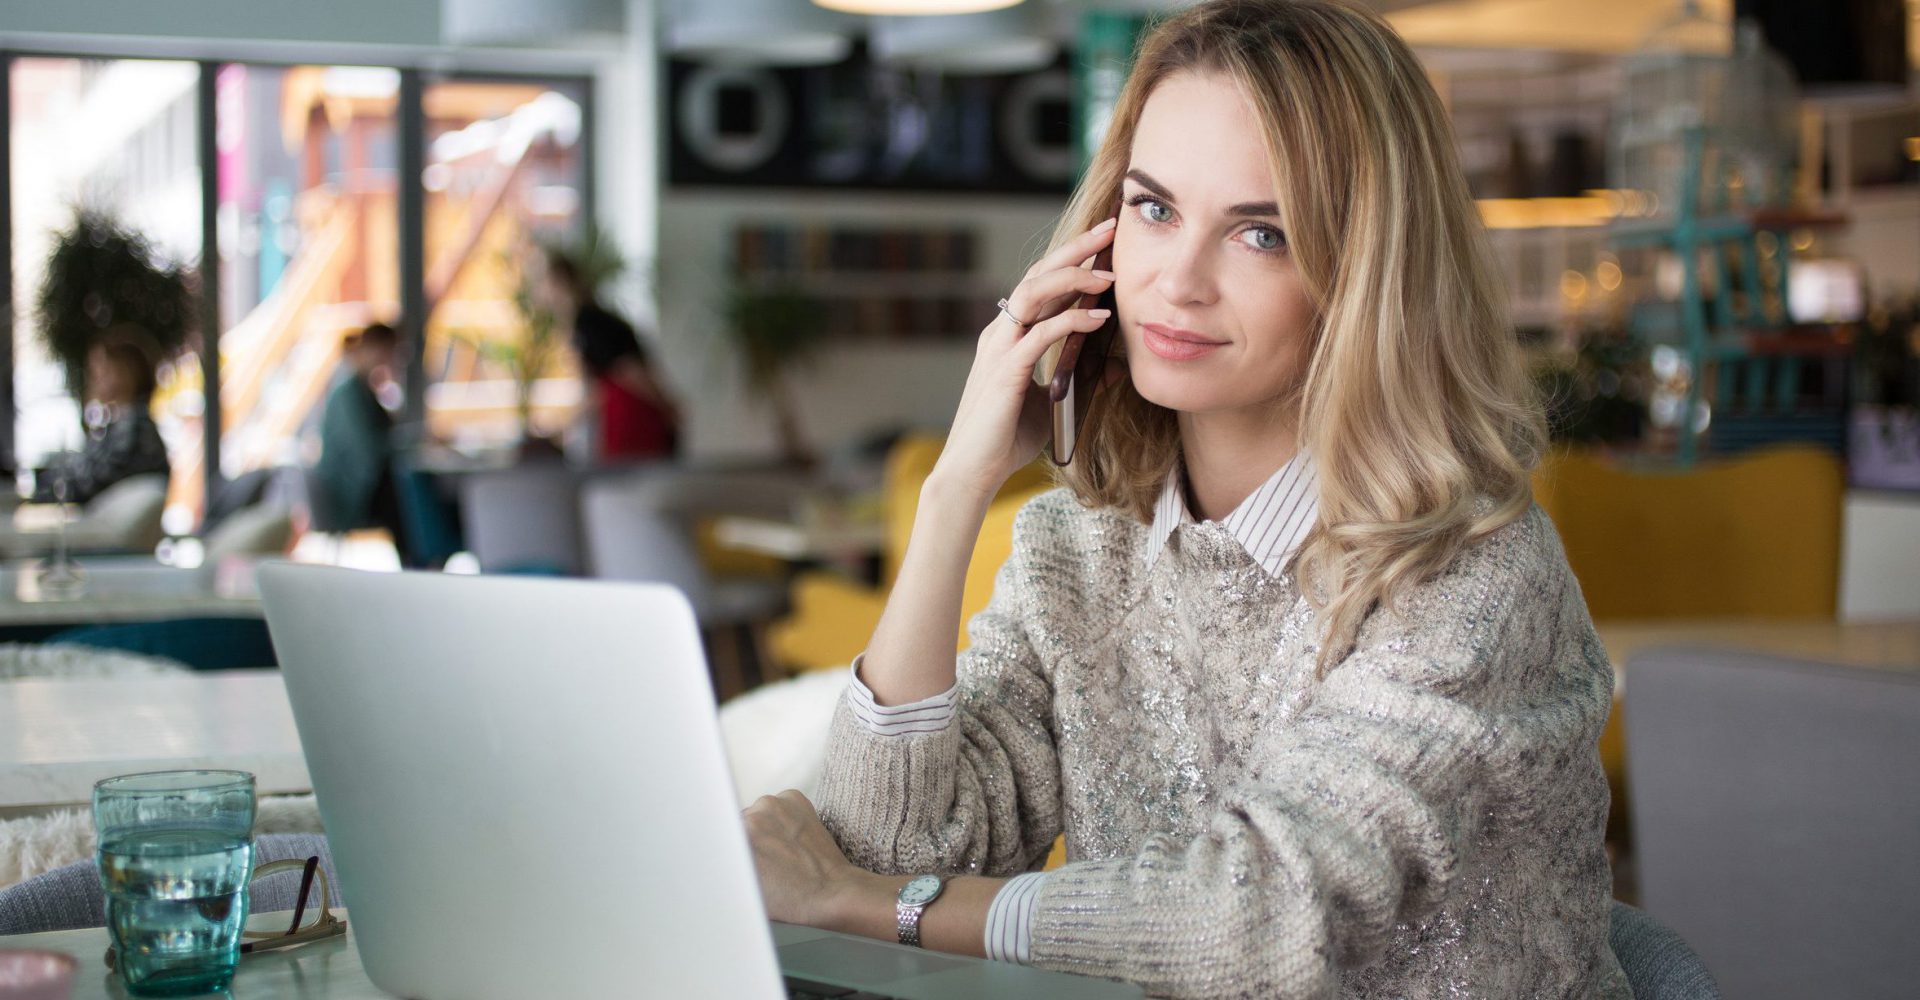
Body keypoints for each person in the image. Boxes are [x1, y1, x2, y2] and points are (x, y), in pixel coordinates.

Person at [741, 2, 1628, 996]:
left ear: (1364, 275)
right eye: (1155, 210)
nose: (1177, 282)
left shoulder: (1474, 576)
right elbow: (892, 836)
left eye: (1261, 233)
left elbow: (1258, 921)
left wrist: (869, 904)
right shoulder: (1074, 550)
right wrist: (958, 487)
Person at [547, 250, 681, 461]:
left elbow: (629, 370)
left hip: (633, 415)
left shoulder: (589, 322)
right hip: (624, 415)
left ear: (559, 282)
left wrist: (666, 405)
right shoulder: (586, 320)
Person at [33, 333, 170, 504]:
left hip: (104, 529)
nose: (94, 379)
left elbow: (89, 486)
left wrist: (44, 488)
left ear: (126, 373)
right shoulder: (123, 425)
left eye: (101, 370)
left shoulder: (133, 430)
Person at [313, 322, 403, 545]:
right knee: (408, 494)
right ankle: (421, 563)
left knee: (410, 491)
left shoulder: (363, 388)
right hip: (349, 492)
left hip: (363, 485)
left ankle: (422, 562)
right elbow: (368, 449)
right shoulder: (349, 393)